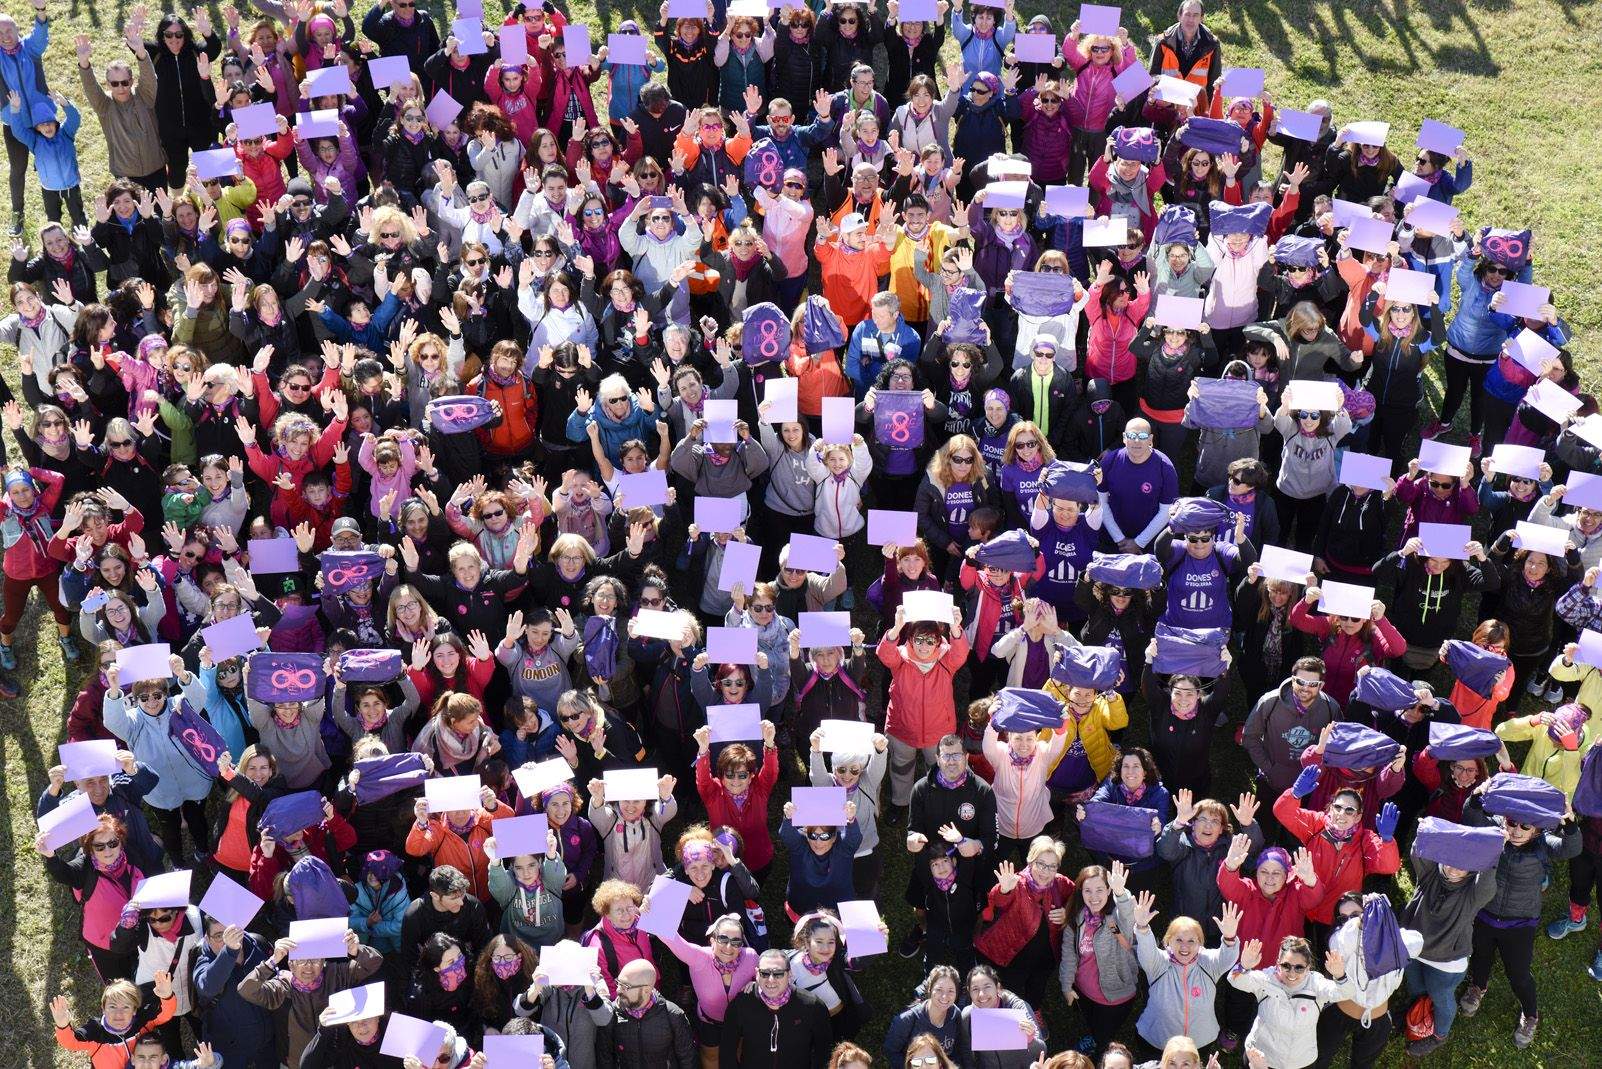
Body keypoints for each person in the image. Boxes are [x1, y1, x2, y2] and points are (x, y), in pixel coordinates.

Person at [720, 948, 832, 1068]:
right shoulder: (741, 1005)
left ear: (789, 974)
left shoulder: (812, 1006)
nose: (771, 980)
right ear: (757, 974)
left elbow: (824, 1052)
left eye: (778, 973)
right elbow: (727, 1052)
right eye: (765, 973)